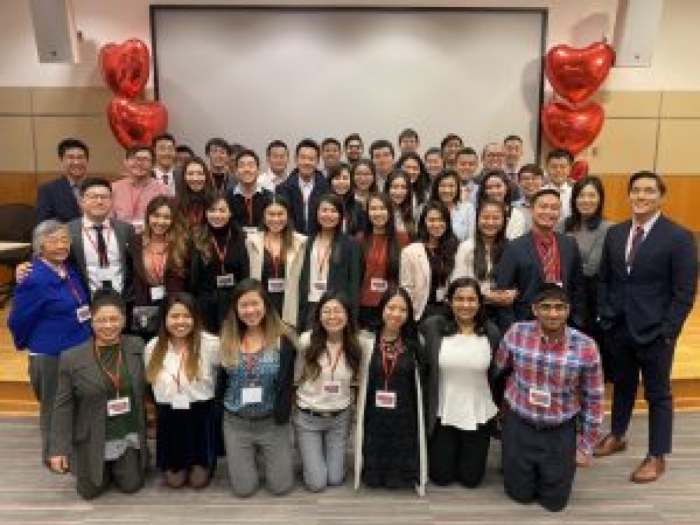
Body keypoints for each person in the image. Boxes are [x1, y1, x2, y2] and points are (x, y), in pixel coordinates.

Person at [594, 171, 698, 483]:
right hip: (618, 326)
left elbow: (684, 292)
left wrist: (669, 331)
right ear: (629, 195)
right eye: (636, 190)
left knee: (658, 394)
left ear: (661, 197)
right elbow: (605, 279)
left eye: (649, 191)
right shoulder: (615, 233)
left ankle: (657, 455)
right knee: (623, 385)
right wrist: (604, 314)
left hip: (656, 332)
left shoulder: (679, 237)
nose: (641, 196)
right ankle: (617, 434)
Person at [494, 283, 604, 512]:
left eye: (559, 307)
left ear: (568, 310)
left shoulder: (586, 347)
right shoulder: (516, 333)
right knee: (519, 496)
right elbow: (499, 368)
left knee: (555, 503)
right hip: (520, 425)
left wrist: (585, 446)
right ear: (535, 309)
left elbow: (594, 399)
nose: (553, 313)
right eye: (546, 307)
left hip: (559, 429)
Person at [48, 290, 149, 500]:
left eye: (114, 319)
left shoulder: (137, 346)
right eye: (101, 320)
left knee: (131, 485)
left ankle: (124, 461)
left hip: (127, 432)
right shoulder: (72, 358)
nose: (108, 326)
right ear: (91, 322)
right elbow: (62, 406)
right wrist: (58, 449)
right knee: (89, 491)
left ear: (124, 320)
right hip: (92, 434)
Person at [8, 220, 92, 465]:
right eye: (54, 241)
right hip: (50, 355)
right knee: (54, 408)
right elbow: (18, 320)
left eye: (65, 240)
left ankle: (73, 452)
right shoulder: (33, 278)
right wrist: (33, 345)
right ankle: (54, 456)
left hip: (77, 349)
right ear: (39, 247)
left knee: (72, 405)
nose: (61, 246)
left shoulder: (69, 270)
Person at [420, 278, 501, 488]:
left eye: (471, 299)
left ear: (480, 302)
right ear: (449, 301)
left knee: (471, 479)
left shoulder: (491, 332)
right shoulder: (433, 328)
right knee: (441, 477)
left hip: (477, 412)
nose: (466, 305)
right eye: (459, 299)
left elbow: (497, 374)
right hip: (442, 413)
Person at [219, 279, 297, 497]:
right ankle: (247, 456)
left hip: (272, 422)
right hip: (237, 422)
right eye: (244, 305)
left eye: (255, 304)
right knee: (244, 489)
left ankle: (264, 456)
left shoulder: (285, 337)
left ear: (266, 305)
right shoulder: (226, 337)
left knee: (281, 487)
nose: (250, 310)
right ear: (236, 309)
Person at [145, 293, 221, 489]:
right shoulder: (152, 347)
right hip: (169, 417)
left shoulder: (210, 344)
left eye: (186, 316)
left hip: (200, 415)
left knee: (197, 482)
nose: (180, 322)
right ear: (164, 319)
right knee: (174, 481)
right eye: (174, 316)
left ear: (195, 317)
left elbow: (225, 374)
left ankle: (204, 462)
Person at [355, 287, 427, 494]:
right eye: (391, 307)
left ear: (409, 314)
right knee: (374, 479)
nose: (396, 314)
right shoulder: (366, 340)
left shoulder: (415, 343)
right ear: (381, 309)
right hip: (374, 416)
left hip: (404, 417)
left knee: (396, 480)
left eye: (402, 310)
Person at [295, 291, 364, 492]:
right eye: (326, 311)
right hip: (308, 417)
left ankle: (318, 458)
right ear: (319, 315)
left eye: (338, 311)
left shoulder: (357, 344)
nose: (332, 316)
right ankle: (312, 459)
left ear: (348, 315)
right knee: (317, 484)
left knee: (335, 479)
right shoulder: (307, 340)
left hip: (339, 419)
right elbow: (296, 376)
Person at [494, 188, 585, 329]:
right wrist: (512, 329)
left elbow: (578, 286)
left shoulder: (569, 244)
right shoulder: (514, 247)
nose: (548, 212)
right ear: (531, 210)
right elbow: (502, 291)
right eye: (543, 207)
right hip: (525, 324)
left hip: (563, 324)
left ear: (560, 213)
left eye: (554, 208)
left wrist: (577, 321)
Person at [559, 176, 611, 377]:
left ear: (600, 199)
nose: (586, 200)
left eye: (592, 195)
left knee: (583, 353)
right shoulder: (563, 224)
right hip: (561, 294)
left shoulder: (607, 228)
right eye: (581, 195)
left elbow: (590, 268)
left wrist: (565, 263)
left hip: (589, 299)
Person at [298, 194, 362, 330]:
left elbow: (354, 284)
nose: (328, 215)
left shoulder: (351, 244)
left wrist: (353, 318)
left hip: (336, 310)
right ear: (316, 213)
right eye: (324, 210)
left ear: (340, 216)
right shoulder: (306, 242)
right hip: (310, 306)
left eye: (333, 211)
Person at [190, 191, 250, 334]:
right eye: (212, 210)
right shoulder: (196, 236)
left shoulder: (240, 236)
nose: (217, 215)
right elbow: (192, 277)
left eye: (222, 210)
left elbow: (245, 272)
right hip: (205, 302)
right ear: (205, 212)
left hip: (234, 301)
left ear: (230, 213)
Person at [131, 196, 189, 339]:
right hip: (145, 308)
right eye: (156, 216)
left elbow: (191, 280)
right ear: (148, 216)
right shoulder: (135, 242)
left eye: (166, 217)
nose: (160, 222)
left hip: (176, 309)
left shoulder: (183, 243)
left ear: (173, 219)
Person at [453, 200, 517, 329]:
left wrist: (514, 293)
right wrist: (486, 295)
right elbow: (458, 283)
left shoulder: (512, 247)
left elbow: (520, 280)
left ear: (504, 221)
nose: (490, 222)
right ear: (477, 220)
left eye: (496, 218)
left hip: (505, 312)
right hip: (475, 311)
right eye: (485, 217)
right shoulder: (467, 247)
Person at [245, 195, 307, 327]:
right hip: (261, 304)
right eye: (271, 214)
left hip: (289, 304)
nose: (276, 219)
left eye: (280, 214)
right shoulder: (251, 241)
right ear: (263, 215)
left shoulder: (301, 242)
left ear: (288, 215)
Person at [400, 201, 459, 321]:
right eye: (432, 220)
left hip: (449, 308)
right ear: (424, 223)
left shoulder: (454, 247)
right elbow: (406, 288)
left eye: (441, 220)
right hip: (422, 310)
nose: (437, 224)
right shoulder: (410, 252)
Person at [358, 193, 404, 332]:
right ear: (367, 212)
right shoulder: (358, 239)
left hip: (391, 307)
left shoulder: (402, 239)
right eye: (373, 209)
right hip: (363, 306)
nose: (378, 213)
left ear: (390, 211)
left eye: (382, 208)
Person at [275, 138, 331, 236]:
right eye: (303, 158)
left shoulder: (326, 187)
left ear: (317, 161)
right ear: (296, 160)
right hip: (291, 241)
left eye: (311, 159)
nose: (306, 162)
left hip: (319, 241)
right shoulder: (282, 188)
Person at [111, 146, 173, 233]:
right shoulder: (113, 188)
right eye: (134, 158)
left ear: (153, 165)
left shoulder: (164, 190)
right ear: (125, 162)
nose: (139, 163)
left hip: (151, 239)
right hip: (120, 239)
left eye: (145, 159)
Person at [36, 138, 88, 223]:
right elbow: (44, 226)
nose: (76, 162)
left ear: (86, 160)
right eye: (71, 157)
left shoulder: (97, 187)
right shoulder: (48, 191)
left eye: (80, 157)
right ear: (62, 161)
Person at [229, 149, 273, 235]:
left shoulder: (270, 197)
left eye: (251, 165)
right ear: (236, 171)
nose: (247, 169)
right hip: (235, 245)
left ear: (258, 170)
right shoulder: (226, 198)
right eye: (242, 166)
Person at [476, 170, 526, 239]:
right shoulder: (477, 212)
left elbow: (515, 244)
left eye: (498, 186)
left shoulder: (516, 215)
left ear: (506, 187)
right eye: (489, 187)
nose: (494, 191)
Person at [429, 170, 475, 241]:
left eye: (451, 186)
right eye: (443, 186)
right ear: (436, 187)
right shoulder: (427, 208)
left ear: (458, 188)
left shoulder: (468, 208)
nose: (447, 190)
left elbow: (471, 238)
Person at [328, 163, 367, 236]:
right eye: (337, 178)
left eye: (345, 178)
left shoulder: (358, 206)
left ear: (351, 181)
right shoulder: (322, 204)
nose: (341, 182)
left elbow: (361, 233)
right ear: (330, 181)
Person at [176, 157, 214, 229]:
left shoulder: (216, 202)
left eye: (200, 173)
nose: (195, 178)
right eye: (190, 174)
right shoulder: (175, 203)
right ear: (184, 177)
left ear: (206, 176)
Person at [386, 170, 417, 245]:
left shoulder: (413, 213)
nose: (399, 192)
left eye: (403, 187)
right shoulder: (381, 211)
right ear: (388, 189)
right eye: (394, 187)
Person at [511, 163, 546, 231]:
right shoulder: (513, 208)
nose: (530, 182)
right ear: (519, 182)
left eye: (534, 178)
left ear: (542, 181)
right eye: (525, 179)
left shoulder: (551, 207)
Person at [544, 149, 574, 219]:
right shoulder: (540, 192)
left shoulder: (575, 193)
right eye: (554, 167)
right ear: (547, 169)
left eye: (563, 167)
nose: (558, 170)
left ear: (569, 169)